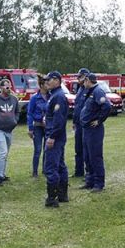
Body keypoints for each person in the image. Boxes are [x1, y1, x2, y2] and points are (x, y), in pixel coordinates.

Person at [79, 72, 112, 193]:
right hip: (86, 129)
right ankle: (90, 181)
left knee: (95, 156)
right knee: (87, 156)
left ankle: (99, 183)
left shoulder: (98, 91)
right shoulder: (89, 91)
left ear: (88, 81)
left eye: (84, 80)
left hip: (94, 130)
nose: (83, 83)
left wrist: (99, 120)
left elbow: (107, 106)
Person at [42, 72, 71, 207]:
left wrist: (52, 136)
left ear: (57, 80)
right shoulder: (54, 95)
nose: (47, 82)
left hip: (55, 136)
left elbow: (59, 120)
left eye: (49, 80)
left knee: (51, 167)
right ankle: (62, 195)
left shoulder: (58, 96)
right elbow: (53, 116)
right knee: (59, 165)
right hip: (56, 135)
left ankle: (52, 198)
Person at [26, 77, 49, 178]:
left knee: (47, 149)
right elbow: (30, 113)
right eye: (46, 84)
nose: (48, 85)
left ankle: (45, 169)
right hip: (38, 126)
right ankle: (35, 172)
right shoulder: (34, 98)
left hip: (48, 126)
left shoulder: (50, 97)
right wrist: (30, 128)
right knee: (38, 150)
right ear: (41, 85)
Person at [72, 68, 91, 178]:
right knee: (78, 148)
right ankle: (78, 171)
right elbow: (77, 107)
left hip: (86, 124)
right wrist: (74, 122)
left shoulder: (90, 90)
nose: (78, 78)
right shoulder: (80, 89)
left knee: (87, 149)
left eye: (80, 76)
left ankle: (88, 173)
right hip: (78, 124)